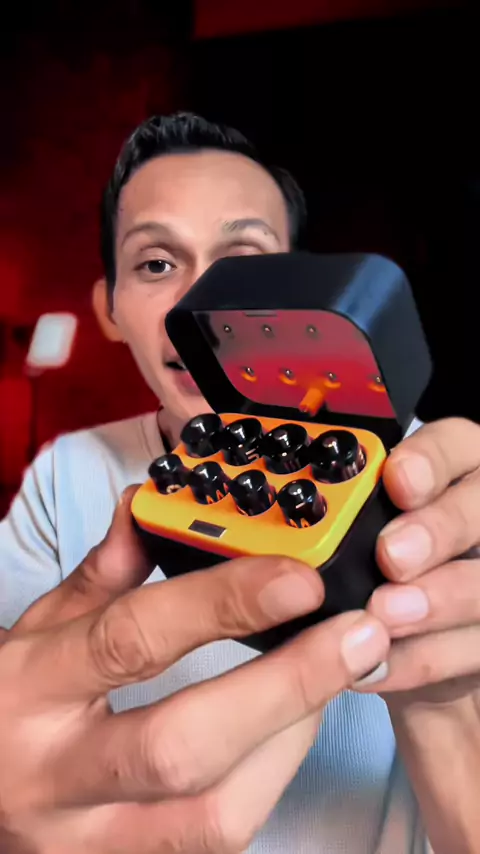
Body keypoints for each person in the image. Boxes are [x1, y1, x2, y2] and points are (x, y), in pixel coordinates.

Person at [0, 112, 479, 854]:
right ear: (109, 309)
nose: (205, 300)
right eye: (156, 263)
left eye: (244, 262)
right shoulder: (65, 474)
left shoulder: (434, 485)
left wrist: (444, 706)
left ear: (298, 286)